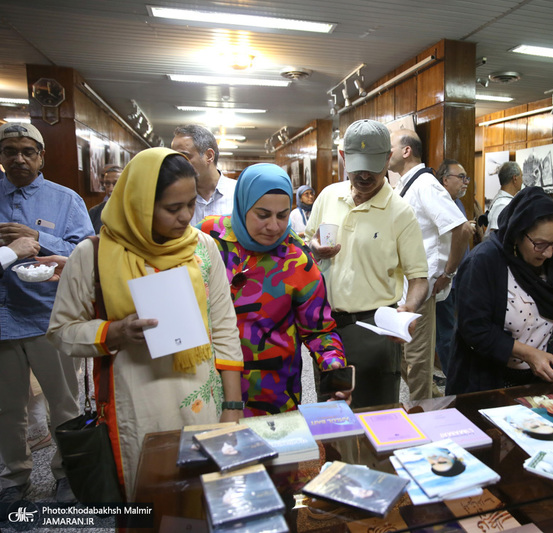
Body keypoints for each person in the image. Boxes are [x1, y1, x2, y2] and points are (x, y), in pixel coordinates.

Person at [47, 147, 245, 499]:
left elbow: (225, 328)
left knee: (203, 499)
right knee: (150, 501)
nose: (186, 216)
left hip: (201, 399)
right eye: (173, 208)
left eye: (190, 203)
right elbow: (61, 331)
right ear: (139, 203)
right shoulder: (92, 255)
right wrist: (115, 332)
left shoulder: (202, 248)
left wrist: (232, 407)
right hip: (136, 404)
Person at [197, 164, 346, 416]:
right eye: (263, 214)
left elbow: (319, 330)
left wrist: (336, 370)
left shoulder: (297, 258)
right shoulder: (210, 236)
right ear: (243, 205)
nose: (274, 226)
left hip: (272, 391)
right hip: (210, 384)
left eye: (283, 215)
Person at [0, 122, 94, 509]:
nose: (18, 158)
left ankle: (67, 472)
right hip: (3, 322)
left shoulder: (65, 199)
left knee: (64, 403)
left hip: (47, 318)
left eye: (27, 151)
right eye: (9, 151)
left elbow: (85, 252)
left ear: (42, 156)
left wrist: (38, 241)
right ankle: (13, 477)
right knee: (7, 406)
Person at [304, 119, 428, 408]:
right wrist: (314, 249)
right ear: (343, 157)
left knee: (375, 415)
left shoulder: (400, 212)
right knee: (331, 413)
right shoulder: (328, 196)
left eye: (373, 166)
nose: (364, 175)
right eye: (357, 165)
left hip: (374, 329)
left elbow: (419, 277)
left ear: (387, 159)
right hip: (327, 329)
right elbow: (305, 244)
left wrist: (409, 308)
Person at [446, 187, 553, 395]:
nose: (548, 252)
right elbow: (474, 329)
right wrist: (528, 354)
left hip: (540, 380)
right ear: (518, 232)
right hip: (488, 382)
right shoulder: (484, 262)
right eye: (540, 244)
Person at [388, 130, 471, 401]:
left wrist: (449, 272)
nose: (386, 153)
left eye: (390, 147)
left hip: (421, 286)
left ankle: (424, 416)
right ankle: (433, 400)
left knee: (417, 359)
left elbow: (462, 229)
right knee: (399, 354)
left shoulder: (426, 185)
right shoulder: (403, 185)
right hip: (402, 286)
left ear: (406, 151)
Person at [434, 159, 476, 379]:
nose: (465, 182)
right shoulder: (438, 203)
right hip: (444, 277)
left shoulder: (456, 203)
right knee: (446, 330)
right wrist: (448, 274)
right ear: (445, 179)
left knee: (456, 328)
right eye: (461, 177)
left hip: (460, 275)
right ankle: (454, 379)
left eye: (466, 177)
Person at [171, 124, 237, 226]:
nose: (177, 163)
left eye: (184, 156)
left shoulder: (239, 193)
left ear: (209, 156)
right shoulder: (173, 196)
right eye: (174, 157)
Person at [486, 161, 523, 235]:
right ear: (515, 178)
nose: (522, 180)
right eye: (521, 176)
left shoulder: (503, 201)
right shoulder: (502, 204)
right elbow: (496, 235)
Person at [88, 164, 123, 234]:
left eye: (115, 184)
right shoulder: (95, 212)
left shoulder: (133, 210)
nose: (111, 189)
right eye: (107, 184)